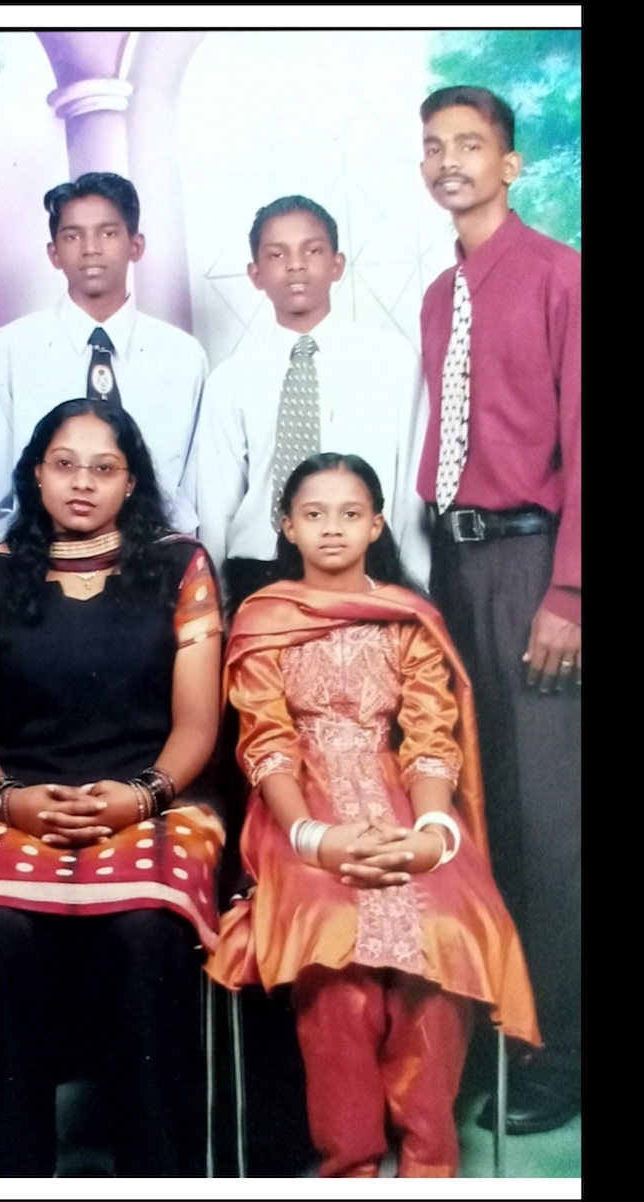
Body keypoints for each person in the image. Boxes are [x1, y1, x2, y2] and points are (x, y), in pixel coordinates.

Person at [207, 454, 539, 1178]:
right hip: (295, 808)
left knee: (445, 931)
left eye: (350, 513)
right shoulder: (263, 619)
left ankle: (429, 1162)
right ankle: (349, 1164)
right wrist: (315, 839)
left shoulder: (407, 615)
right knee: (335, 946)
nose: (332, 528)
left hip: (405, 802)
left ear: (376, 523)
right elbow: (265, 745)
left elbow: (430, 737)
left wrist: (430, 834)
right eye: (314, 514)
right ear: (286, 526)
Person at [0, 399, 223, 1177]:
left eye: (103, 467)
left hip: (154, 801)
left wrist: (143, 793)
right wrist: (9, 801)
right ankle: (16, 1168)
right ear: (35, 474)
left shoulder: (179, 566)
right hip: (15, 805)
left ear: (132, 482)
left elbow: (196, 725)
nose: (82, 483)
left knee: (145, 931)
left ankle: (158, 1170)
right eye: (64, 464)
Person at [416, 86, 580, 1133]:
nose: (449, 163)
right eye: (432, 148)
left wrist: (568, 591)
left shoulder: (561, 275)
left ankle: (564, 1045)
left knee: (549, 817)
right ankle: (506, 1028)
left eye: (470, 146)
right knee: (480, 805)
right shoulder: (439, 292)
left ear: (509, 164)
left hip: (535, 566)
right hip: (454, 564)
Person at [196, 196, 429, 616]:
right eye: (276, 254)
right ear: (255, 274)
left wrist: (414, 583)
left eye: (313, 250)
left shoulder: (392, 360)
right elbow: (216, 507)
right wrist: (218, 605)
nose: (296, 265)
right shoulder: (230, 379)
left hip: (369, 569)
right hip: (261, 575)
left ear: (337, 264)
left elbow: (411, 480)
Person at [0, 172, 208, 550]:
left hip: (154, 564)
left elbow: (193, 491)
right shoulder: (7, 352)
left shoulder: (182, 357)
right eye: (72, 236)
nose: (91, 248)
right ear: (53, 253)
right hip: (40, 565)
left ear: (136, 245)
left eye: (108, 233)